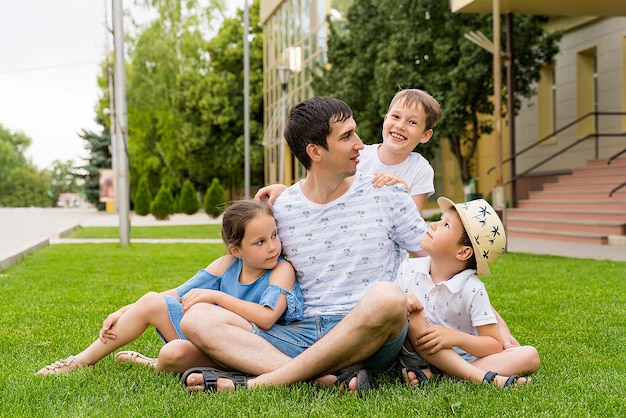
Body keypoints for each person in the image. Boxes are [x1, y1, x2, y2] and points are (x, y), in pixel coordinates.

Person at [179, 96, 428, 394]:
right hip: (302, 333)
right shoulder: (282, 208)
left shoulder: (387, 192)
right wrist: (153, 302)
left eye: (355, 132)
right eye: (347, 136)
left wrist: (485, 320)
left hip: (368, 335)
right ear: (315, 152)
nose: (360, 144)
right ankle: (323, 380)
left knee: (388, 298)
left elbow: (437, 259)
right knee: (196, 319)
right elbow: (244, 258)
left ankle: (257, 383)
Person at [36, 199, 302, 376]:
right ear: (236, 249)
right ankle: (81, 361)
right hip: (209, 342)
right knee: (153, 304)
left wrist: (216, 295)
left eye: (274, 236)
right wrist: (125, 310)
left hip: (252, 348)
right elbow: (176, 294)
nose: (272, 246)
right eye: (260, 242)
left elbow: (268, 318)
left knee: (170, 355)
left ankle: (149, 363)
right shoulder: (226, 265)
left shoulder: (282, 269)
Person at [397, 197, 540, 388]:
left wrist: (454, 337)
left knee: (530, 355)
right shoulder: (408, 268)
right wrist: (403, 302)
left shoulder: (472, 289)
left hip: (463, 356)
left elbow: (493, 344)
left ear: (463, 253)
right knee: (415, 315)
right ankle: (484, 379)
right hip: (418, 351)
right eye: (440, 219)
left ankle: (441, 374)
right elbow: (393, 306)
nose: (433, 225)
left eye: (446, 225)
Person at [359, 88, 442, 213]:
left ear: (425, 135)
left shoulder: (420, 169)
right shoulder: (359, 156)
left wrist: (402, 189)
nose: (400, 126)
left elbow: (412, 225)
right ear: (385, 120)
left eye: (412, 122)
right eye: (396, 116)